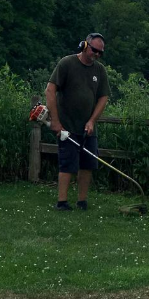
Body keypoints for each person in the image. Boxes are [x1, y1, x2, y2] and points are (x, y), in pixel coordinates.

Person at [46, 33, 110, 211]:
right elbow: (50, 91)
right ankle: (62, 202)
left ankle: (82, 202)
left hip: (88, 128)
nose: (96, 54)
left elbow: (103, 97)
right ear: (84, 46)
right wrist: (56, 122)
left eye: (100, 52)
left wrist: (92, 121)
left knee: (87, 163)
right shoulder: (67, 64)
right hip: (67, 126)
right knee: (67, 164)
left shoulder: (100, 71)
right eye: (94, 50)